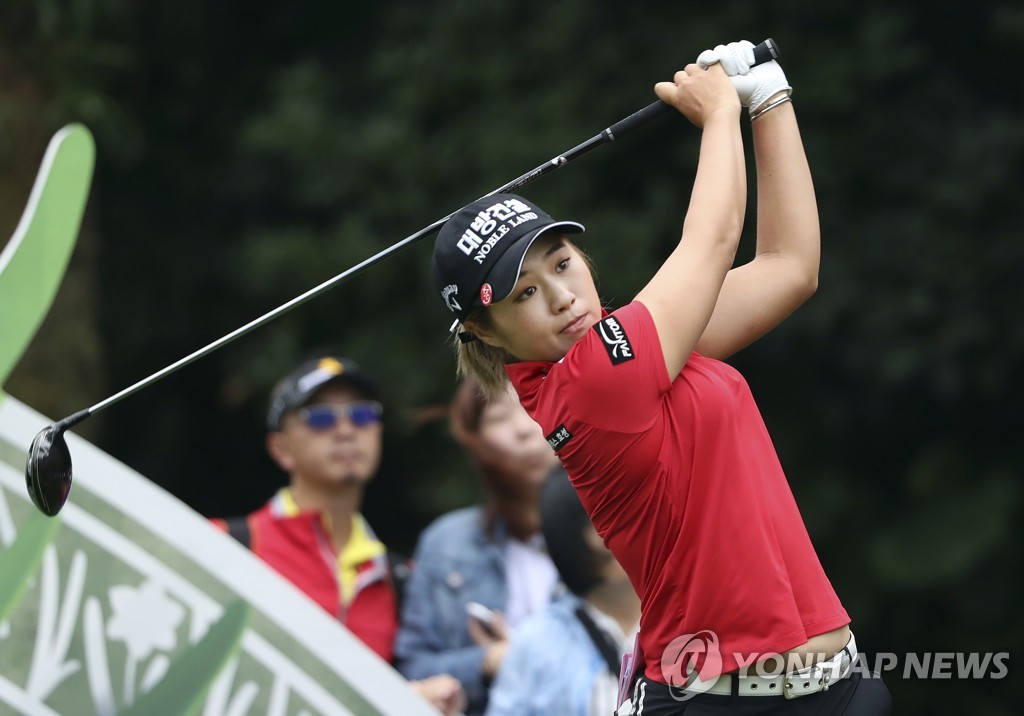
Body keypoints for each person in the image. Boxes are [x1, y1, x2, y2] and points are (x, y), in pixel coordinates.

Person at [430, 41, 891, 714]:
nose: (561, 296)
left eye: (561, 263)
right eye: (523, 293)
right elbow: (712, 239)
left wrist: (769, 98)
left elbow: (790, 267)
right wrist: (719, 114)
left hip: (837, 691)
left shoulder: (647, 347)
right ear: (486, 332)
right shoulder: (591, 381)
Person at [212, 353, 465, 715]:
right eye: (321, 417)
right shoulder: (226, 545)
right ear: (281, 449)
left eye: (362, 415)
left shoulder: (399, 578)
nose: (346, 430)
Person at [394, 376, 563, 716]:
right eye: (499, 416)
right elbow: (411, 670)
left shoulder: (620, 528)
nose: (523, 429)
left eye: (533, 405)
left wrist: (527, 656)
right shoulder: (447, 544)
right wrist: (490, 660)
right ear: (476, 439)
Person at [485, 469, 641, 716]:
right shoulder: (539, 641)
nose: (603, 539)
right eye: (594, 522)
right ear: (566, 539)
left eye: (619, 513)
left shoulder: (692, 617)